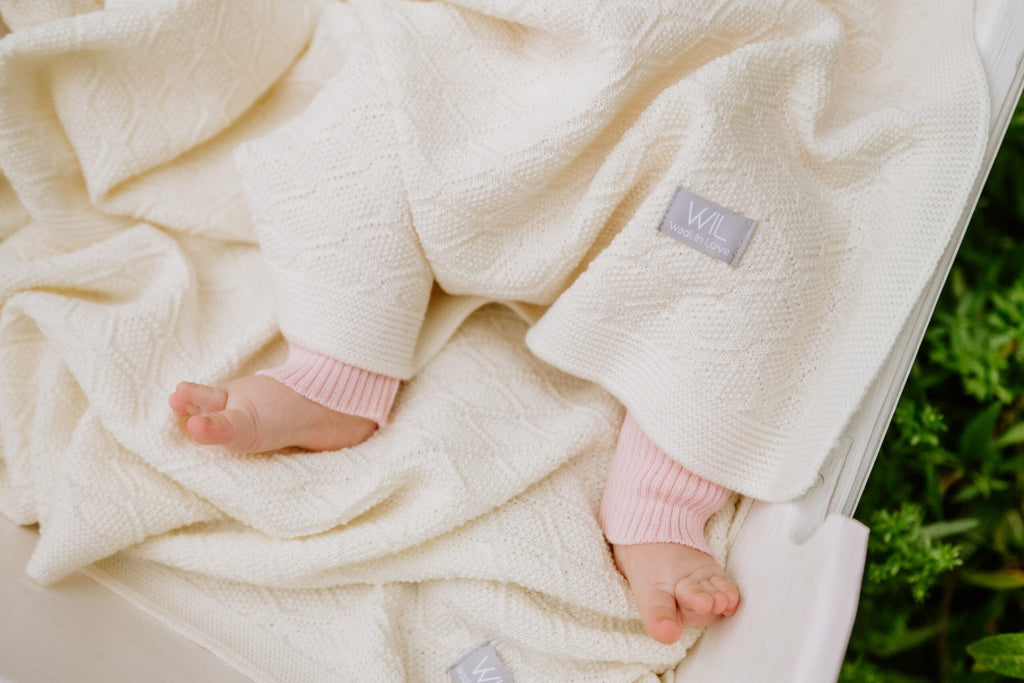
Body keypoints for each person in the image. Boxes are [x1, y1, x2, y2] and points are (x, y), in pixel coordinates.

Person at [171, 341, 739, 645]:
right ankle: (335, 368)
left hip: (667, 220)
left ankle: (657, 502)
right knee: (363, 142)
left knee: (757, 258)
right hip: (484, 168)